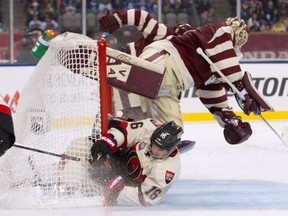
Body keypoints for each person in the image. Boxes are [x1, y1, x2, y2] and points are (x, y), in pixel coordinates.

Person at [100, 11, 273, 145]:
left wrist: (230, 119)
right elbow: (142, 17)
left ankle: (136, 150)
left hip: (165, 85)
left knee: (172, 133)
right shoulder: (219, 31)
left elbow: (212, 92)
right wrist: (241, 88)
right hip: (156, 65)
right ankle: (118, 126)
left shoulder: (210, 61)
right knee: (132, 110)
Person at [90, 117, 183, 206]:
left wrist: (119, 193)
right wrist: (109, 141)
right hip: (118, 159)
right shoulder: (151, 127)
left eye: (160, 149)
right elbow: (126, 131)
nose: (154, 151)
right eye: (153, 145)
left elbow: (146, 199)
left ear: (172, 148)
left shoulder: (167, 171)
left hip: (128, 184)